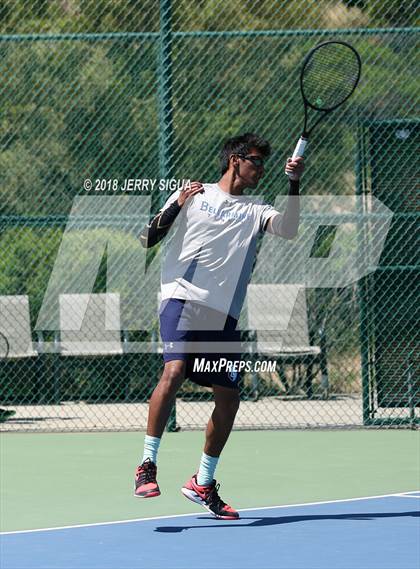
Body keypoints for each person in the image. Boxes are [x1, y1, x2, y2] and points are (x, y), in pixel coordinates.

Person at [135, 133, 304, 519]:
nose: (261, 169)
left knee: (228, 398)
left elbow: (290, 229)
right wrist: (176, 204)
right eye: (256, 161)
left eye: (264, 163)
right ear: (235, 161)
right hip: (181, 299)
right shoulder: (195, 195)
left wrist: (294, 183)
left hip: (222, 316)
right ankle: (147, 464)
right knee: (174, 370)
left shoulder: (256, 209)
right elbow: (147, 237)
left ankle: (203, 482)